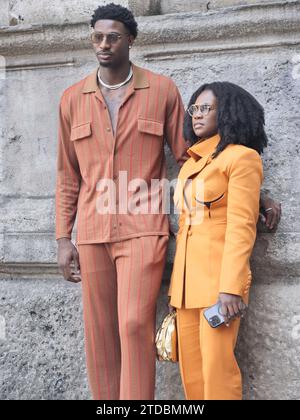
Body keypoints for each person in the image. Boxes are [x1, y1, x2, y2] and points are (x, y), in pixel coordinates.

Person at [55, 3, 280, 400]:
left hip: (144, 228)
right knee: (99, 333)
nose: (104, 45)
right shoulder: (72, 99)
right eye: (97, 37)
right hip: (90, 231)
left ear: (131, 40)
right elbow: (67, 175)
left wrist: (253, 194)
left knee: (133, 325)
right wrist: (62, 237)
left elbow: (189, 155)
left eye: (113, 37)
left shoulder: (161, 90)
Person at [168, 82, 269, 400]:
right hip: (185, 288)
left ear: (226, 112)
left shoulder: (243, 159)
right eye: (194, 109)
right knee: (192, 377)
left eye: (205, 108)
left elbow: (241, 228)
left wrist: (230, 288)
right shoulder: (191, 165)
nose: (197, 115)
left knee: (217, 373)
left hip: (217, 287)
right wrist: (176, 291)